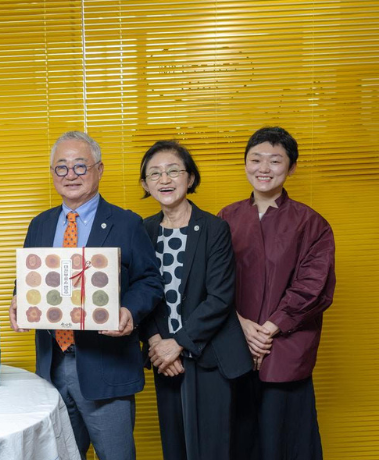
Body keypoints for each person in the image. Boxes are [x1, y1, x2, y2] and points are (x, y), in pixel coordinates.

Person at [9, 131, 162, 460]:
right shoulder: (40, 224)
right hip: (52, 366)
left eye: (80, 166)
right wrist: (18, 299)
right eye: (61, 168)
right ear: (52, 174)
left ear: (99, 169)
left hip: (105, 365)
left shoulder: (126, 223)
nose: (70, 175)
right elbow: (29, 278)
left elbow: (150, 280)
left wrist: (130, 312)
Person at [219, 127, 335, 460]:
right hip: (234, 344)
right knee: (236, 439)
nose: (264, 168)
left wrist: (268, 331)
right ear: (245, 164)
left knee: (285, 441)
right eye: (255, 159)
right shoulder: (225, 218)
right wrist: (241, 325)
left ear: (292, 167)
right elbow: (212, 283)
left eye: (275, 160)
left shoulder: (311, 223)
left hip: (285, 348)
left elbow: (314, 287)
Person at [138, 140, 252, 460]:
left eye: (174, 170)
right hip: (165, 360)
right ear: (146, 184)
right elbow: (139, 292)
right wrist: (158, 342)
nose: (165, 179)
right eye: (155, 173)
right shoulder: (143, 230)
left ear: (190, 178)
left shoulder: (215, 228)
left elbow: (220, 298)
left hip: (209, 356)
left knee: (212, 449)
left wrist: (179, 343)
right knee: (174, 447)